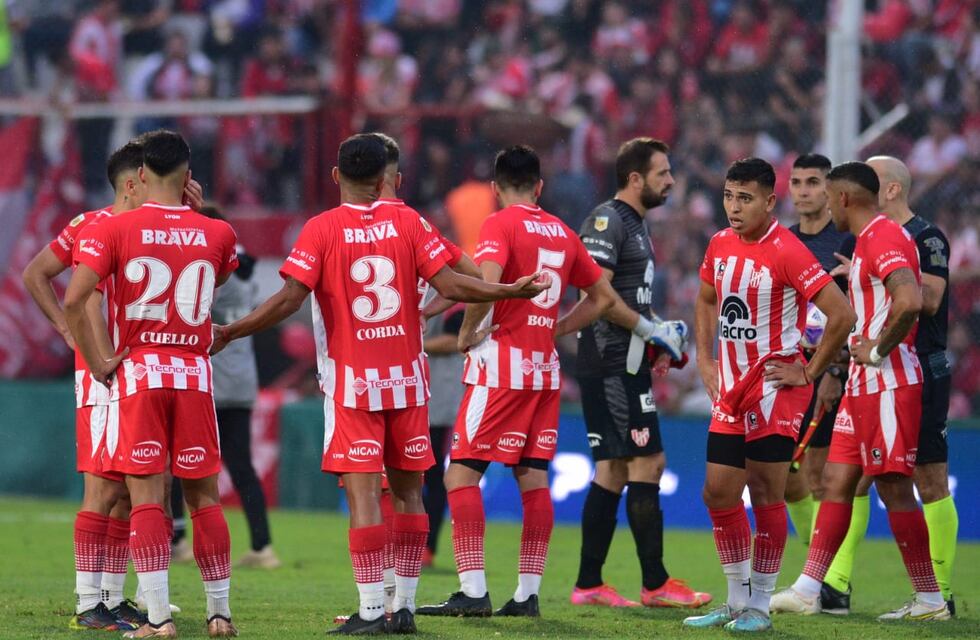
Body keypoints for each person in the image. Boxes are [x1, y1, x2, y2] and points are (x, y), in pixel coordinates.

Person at [210, 134, 551, 635]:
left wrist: (233, 330)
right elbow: (454, 283)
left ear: (336, 177)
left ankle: (372, 609)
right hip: (409, 381)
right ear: (382, 180)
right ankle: (404, 608)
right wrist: (508, 290)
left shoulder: (321, 229)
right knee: (411, 492)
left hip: (353, 385)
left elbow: (287, 299)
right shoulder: (410, 221)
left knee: (366, 494)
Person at [416, 145, 616, 618]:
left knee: (459, 475)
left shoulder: (500, 224)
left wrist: (467, 330)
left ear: (495, 187)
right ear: (540, 186)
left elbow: (486, 284)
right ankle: (526, 597)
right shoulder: (564, 232)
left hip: (500, 368)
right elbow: (602, 298)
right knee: (532, 480)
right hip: (544, 372)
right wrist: (556, 327)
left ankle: (472, 590)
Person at [65, 129, 241, 639]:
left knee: (145, 498)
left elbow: (78, 299)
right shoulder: (218, 231)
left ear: (140, 175)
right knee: (204, 499)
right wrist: (202, 214)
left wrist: (99, 360)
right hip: (193, 373)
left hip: (139, 373)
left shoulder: (114, 228)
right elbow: (219, 275)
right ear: (189, 177)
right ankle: (219, 614)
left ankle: (158, 619)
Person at [22, 140, 201, 631]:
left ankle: (111, 595)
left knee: (134, 487)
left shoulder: (120, 226)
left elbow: (39, 274)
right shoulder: (103, 227)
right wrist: (87, 347)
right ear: (132, 182)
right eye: (152, 181)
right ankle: (88, 602)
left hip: (135, 372)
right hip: (109, 373)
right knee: (104, 484)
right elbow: (61, 286)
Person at [770, 161, 950, 622]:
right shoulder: (872, 240)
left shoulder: (884, 236)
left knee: (893, 487)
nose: (828, 205)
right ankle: (810, 588)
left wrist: (875, 350)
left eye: (830, 196)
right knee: (836, 481)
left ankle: (930, 600)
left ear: (844, 198)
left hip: (888, 382)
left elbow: (910, 301)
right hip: (863, 383)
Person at [684, 158, 854, 633]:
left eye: (745, 199)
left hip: (774, 390)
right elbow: (705, 298)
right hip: (731, 387)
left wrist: (809, 371)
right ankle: (736, 601)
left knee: (764, 492)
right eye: (728, 196)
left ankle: (760, 604)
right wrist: (705, 358)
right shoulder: (719, 243)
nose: (734, 207)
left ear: (768, 201)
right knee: (717, 492)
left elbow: (840, 315)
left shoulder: (789, 250)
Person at [570, 137, 707, 609]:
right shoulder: (608, 220)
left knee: (612, 470)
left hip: (621, 360)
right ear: (635, 178)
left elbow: (622, 299)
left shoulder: (636, 224)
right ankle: (655, 584)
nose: (670, 181)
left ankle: (589, 584)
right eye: (662, 173)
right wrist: (650, 330)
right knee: (648, 464)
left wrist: (654, 343)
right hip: (611, 364)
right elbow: (599, 296)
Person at [169, 205, 281, 571]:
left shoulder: (211, 270)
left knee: (180, 460)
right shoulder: (245, 268)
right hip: (242, 379)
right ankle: (263, 546)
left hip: (207, 379)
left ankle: (179, 540)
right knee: (242, 465)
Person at [782, 153, 854, 562]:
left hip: (827, 371)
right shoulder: (783, 240)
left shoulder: (844, 243)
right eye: (797, 182)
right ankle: (818, 570)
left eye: (813, 182)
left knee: (822, 478)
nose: (804, 190)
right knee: (790, 478)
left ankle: (825, 580)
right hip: (788, 371)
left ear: (828, 190)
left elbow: (854, 310)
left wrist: (836, 369)